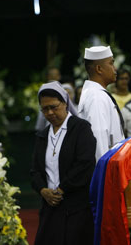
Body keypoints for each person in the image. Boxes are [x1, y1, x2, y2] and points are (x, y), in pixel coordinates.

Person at [31, 82, 95, 245]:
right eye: (45, 109)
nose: (50, 113)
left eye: (54, 107)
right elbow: (35, 171)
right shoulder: (42, 135)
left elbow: (85, 164)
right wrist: (43, 190)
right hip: (50, 207)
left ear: (65, 103)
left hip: (76, 207)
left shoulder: (81, 128)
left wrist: (61, 189)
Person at [78, 46, 125, 161]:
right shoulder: (96, 96)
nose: (115, 69)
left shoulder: (96, 93)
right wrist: (103, 174)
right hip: (105, 169)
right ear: (99, 69)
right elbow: (98, 138)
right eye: (111, 64)